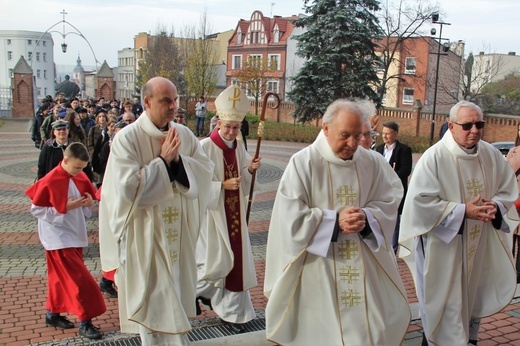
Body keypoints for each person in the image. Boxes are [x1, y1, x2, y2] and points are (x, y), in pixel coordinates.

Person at [264, 99, 410, 346]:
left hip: (364, 267)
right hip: (317, 268)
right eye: (345, 135)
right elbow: (289, 217)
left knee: (371, 333)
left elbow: (391, 197)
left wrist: (368, 216)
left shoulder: (371, 162)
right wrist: (333, 221)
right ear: (326, 127)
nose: (353, 144)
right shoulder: (303, 163)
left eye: (358, 135)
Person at [98, 76, 214, 345]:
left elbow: (205, 171)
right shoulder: (127, 139)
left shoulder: (183, 134)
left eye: (175, 100)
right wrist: (163, 162)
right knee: (154, 307)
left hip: (177, 238)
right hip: (145, 239)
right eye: (166, 101)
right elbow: (126, 189)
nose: (174, 106)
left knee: (174, 299)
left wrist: (177, 163)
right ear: (147, 102)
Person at [400, 101, 519, 346]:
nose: (474, 130)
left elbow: (507, 188)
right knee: (443, 306)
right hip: (443, 248)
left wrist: (495, 206)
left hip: (477, 245)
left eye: (479, 124)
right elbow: (419, 204)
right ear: (451, 126)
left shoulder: (490, 154)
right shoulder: (434, 158)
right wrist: (464, 211)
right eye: (467, 125)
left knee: (471, 299)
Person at [196, 85, 261, 333]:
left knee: (236, 263)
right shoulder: (205, 148)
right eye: (228, 127)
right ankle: (205, 294)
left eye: (236, 127)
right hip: (214, 216)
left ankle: (233, 311)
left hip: (233, 214)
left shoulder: (239, 147)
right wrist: (221, 185)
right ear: (218, 124)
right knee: (215, 261)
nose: (232, 132)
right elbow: (197, 184)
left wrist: (250, 170)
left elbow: (242, 178)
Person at [26, 142, 105, 340]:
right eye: (77, 167)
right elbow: (36, 209)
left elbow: (88, 202)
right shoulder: (50, 179)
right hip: (57, 238)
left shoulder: (78, 175)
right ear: (65, 160)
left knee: (59, 279)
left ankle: (52, 313)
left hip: (75, 233)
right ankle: (85, 322)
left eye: (82, 168)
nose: (80, 172)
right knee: (80, 280)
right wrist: (65, 208)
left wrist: (87, 203)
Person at [375, 121, 412, 254]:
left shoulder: (404, 150)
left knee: (395, 219)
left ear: (395, 134)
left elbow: (405, 170)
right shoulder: (379, 149)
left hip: (395, 190)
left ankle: (394, 249)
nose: (384, 136)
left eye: (388, 133)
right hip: (380, 190)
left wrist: (390, 177)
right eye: (383, 133)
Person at [506, 144, 520, 284]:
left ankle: (515, 274)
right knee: (511, 239)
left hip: (515, 202)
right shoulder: (513, 151)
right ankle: (512, 275)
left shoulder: (513, 151)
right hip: (513, 203)